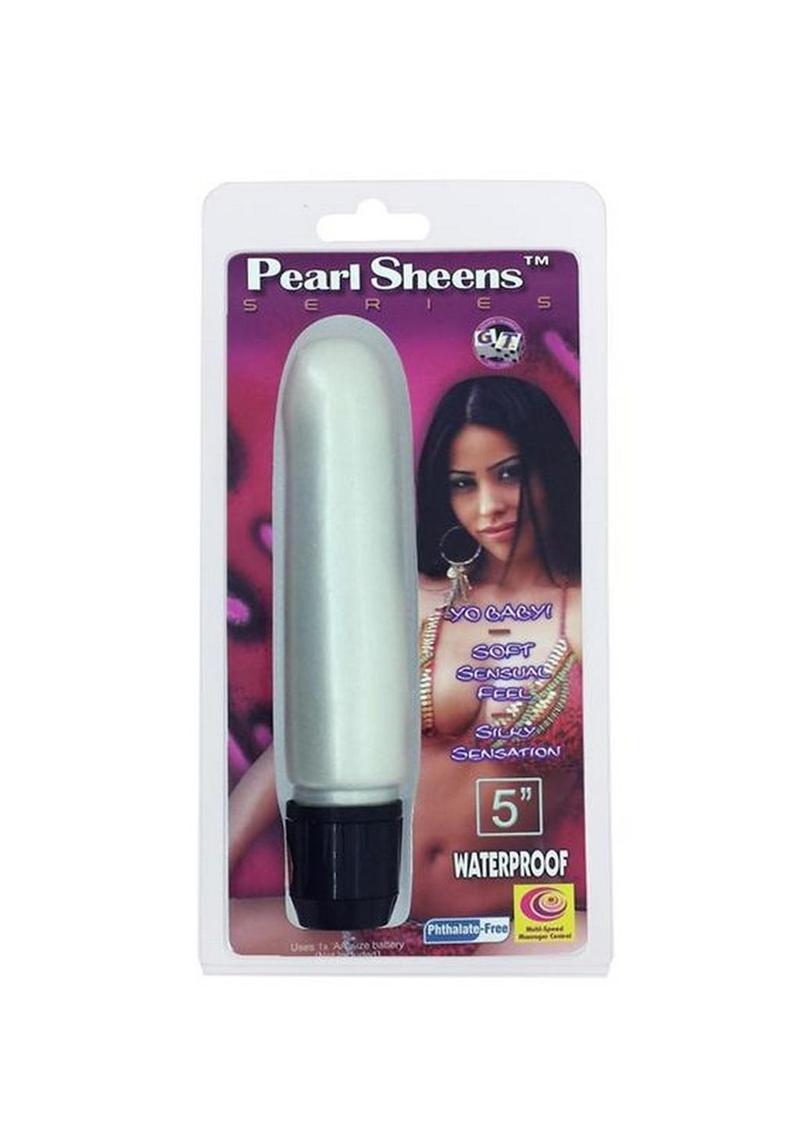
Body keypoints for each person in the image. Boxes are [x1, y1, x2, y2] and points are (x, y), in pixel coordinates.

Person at [228, 374, 585, 953]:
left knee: (586, 946)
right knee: (218, 936)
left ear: (548, 468)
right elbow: (308, 737)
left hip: (502, 929)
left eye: (509, 474)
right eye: (464, 484)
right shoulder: (413, 601)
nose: (489, 506)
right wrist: (215, 859)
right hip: (351, 912)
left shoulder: (586, 614)